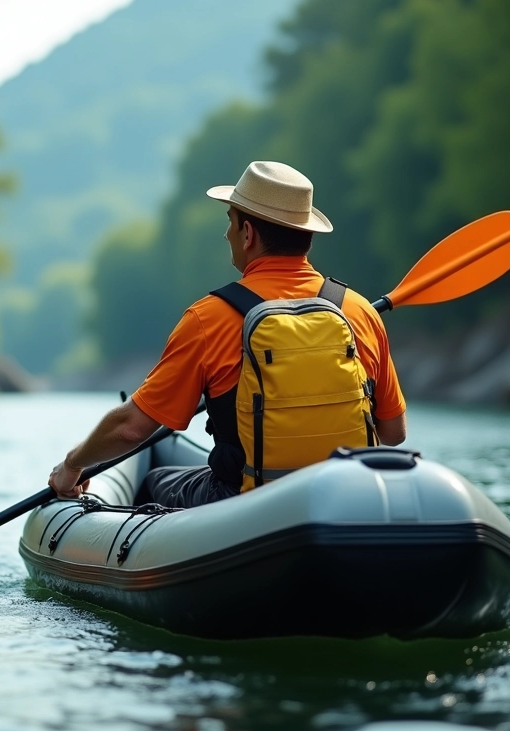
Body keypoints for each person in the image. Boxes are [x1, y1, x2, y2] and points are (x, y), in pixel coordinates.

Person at [48, 161, 406, 506]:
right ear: (307, 236)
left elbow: (130, 428)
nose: (226, 233)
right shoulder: (359, 312)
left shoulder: (208, 318)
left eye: (230, 221)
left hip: (244, 504)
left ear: (247, 234)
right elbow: (393, 433)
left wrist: (72, 465)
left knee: (154, 482)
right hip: (351, 499)